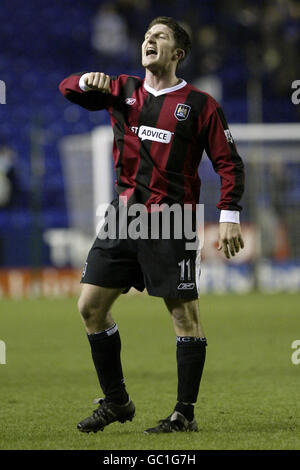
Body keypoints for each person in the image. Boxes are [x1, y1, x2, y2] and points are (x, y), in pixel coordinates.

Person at [58, 16, 245, 434]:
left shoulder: (200, 105)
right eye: (146, 36)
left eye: (159, 37)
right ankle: (117, 401)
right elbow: (67, 89)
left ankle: (184, 414)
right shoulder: (123, 90)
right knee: (90, 306)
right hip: (124, 214)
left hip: (173, 219)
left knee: (184, 315)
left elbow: (228, 163)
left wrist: (228, 213)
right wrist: (84, 81)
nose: (149, 41)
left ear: (177, 53)